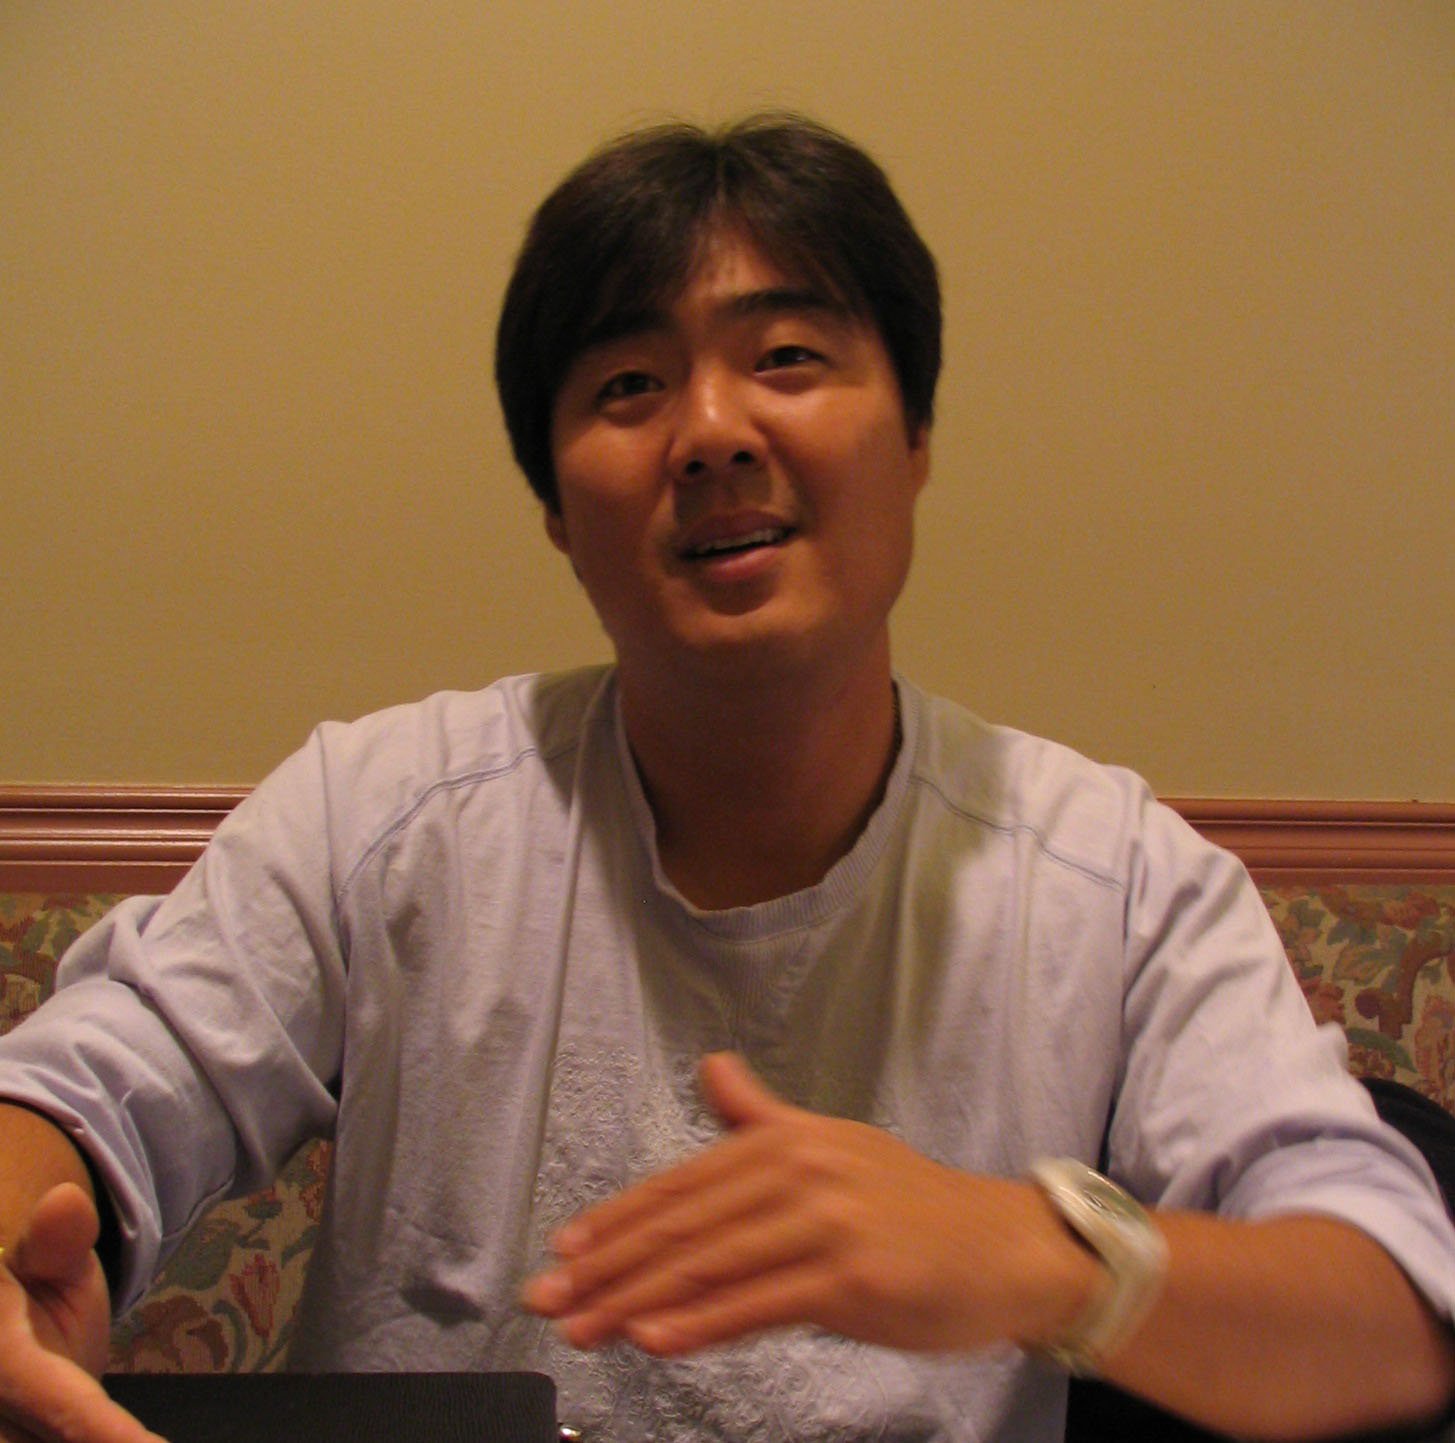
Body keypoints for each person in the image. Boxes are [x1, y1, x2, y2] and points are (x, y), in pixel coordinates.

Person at [1, 114, 1453, 1443]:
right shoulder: (386, 814)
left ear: (916, 440)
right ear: (558, 510)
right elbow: (91, 1083)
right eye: (629, 385)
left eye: (790, 359)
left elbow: (1393, 1320)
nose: (710, 433)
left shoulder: (1115, 881)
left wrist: (1036, 1256)